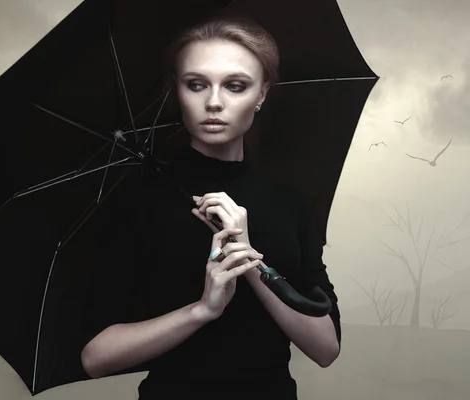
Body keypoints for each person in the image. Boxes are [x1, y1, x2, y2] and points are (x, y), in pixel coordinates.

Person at [79, 12, 341, 400]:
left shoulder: (290, 204)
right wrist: (201, 310)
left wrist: (250, 260)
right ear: (176, 91)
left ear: (262, 94)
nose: (214, 102)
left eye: (235, 86)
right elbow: (95, 358)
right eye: (197, 84)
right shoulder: (135, 200)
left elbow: (326, 349)